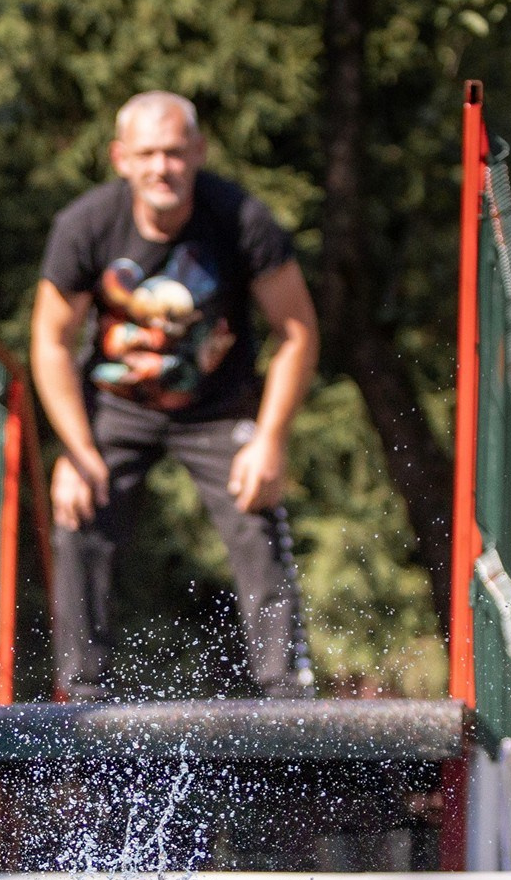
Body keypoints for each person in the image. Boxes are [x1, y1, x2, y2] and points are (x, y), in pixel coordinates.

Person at [33, 91, 321, 700]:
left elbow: (297, 334)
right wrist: (76, 451)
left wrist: (269, 440)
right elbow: (51, 343)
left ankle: (285, 694)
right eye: (147, 154)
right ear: (121, 159)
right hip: (116, 406)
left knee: (256, 512)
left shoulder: (242, 221)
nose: (162, 167)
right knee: (78, 510)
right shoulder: (84, 228)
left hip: (218, 407)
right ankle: (81, 698)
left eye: (173, 152)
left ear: (197, 152)